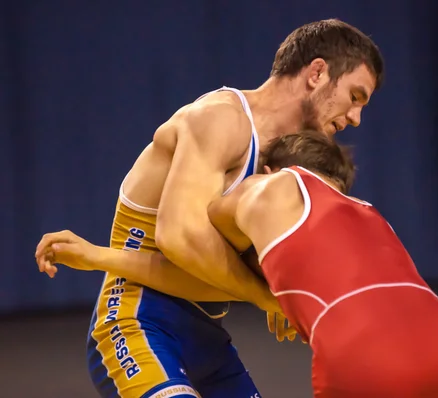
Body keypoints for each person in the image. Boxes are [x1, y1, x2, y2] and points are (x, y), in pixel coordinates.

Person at [40, 19, 383, 398]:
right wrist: (265, 296)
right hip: (136, 324)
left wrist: (278, 283)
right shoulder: (221, 119)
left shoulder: (291, 155)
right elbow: (181, 240)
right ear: (317, 72)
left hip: (207, 336)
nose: (356, 119)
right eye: (355, 96)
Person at [37, 131, 438, 398]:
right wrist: (272, 298)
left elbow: (191, 255)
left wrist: (95, 256)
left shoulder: (262, 195)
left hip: (350, 347)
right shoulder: (365, 212)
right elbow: (184, 251)